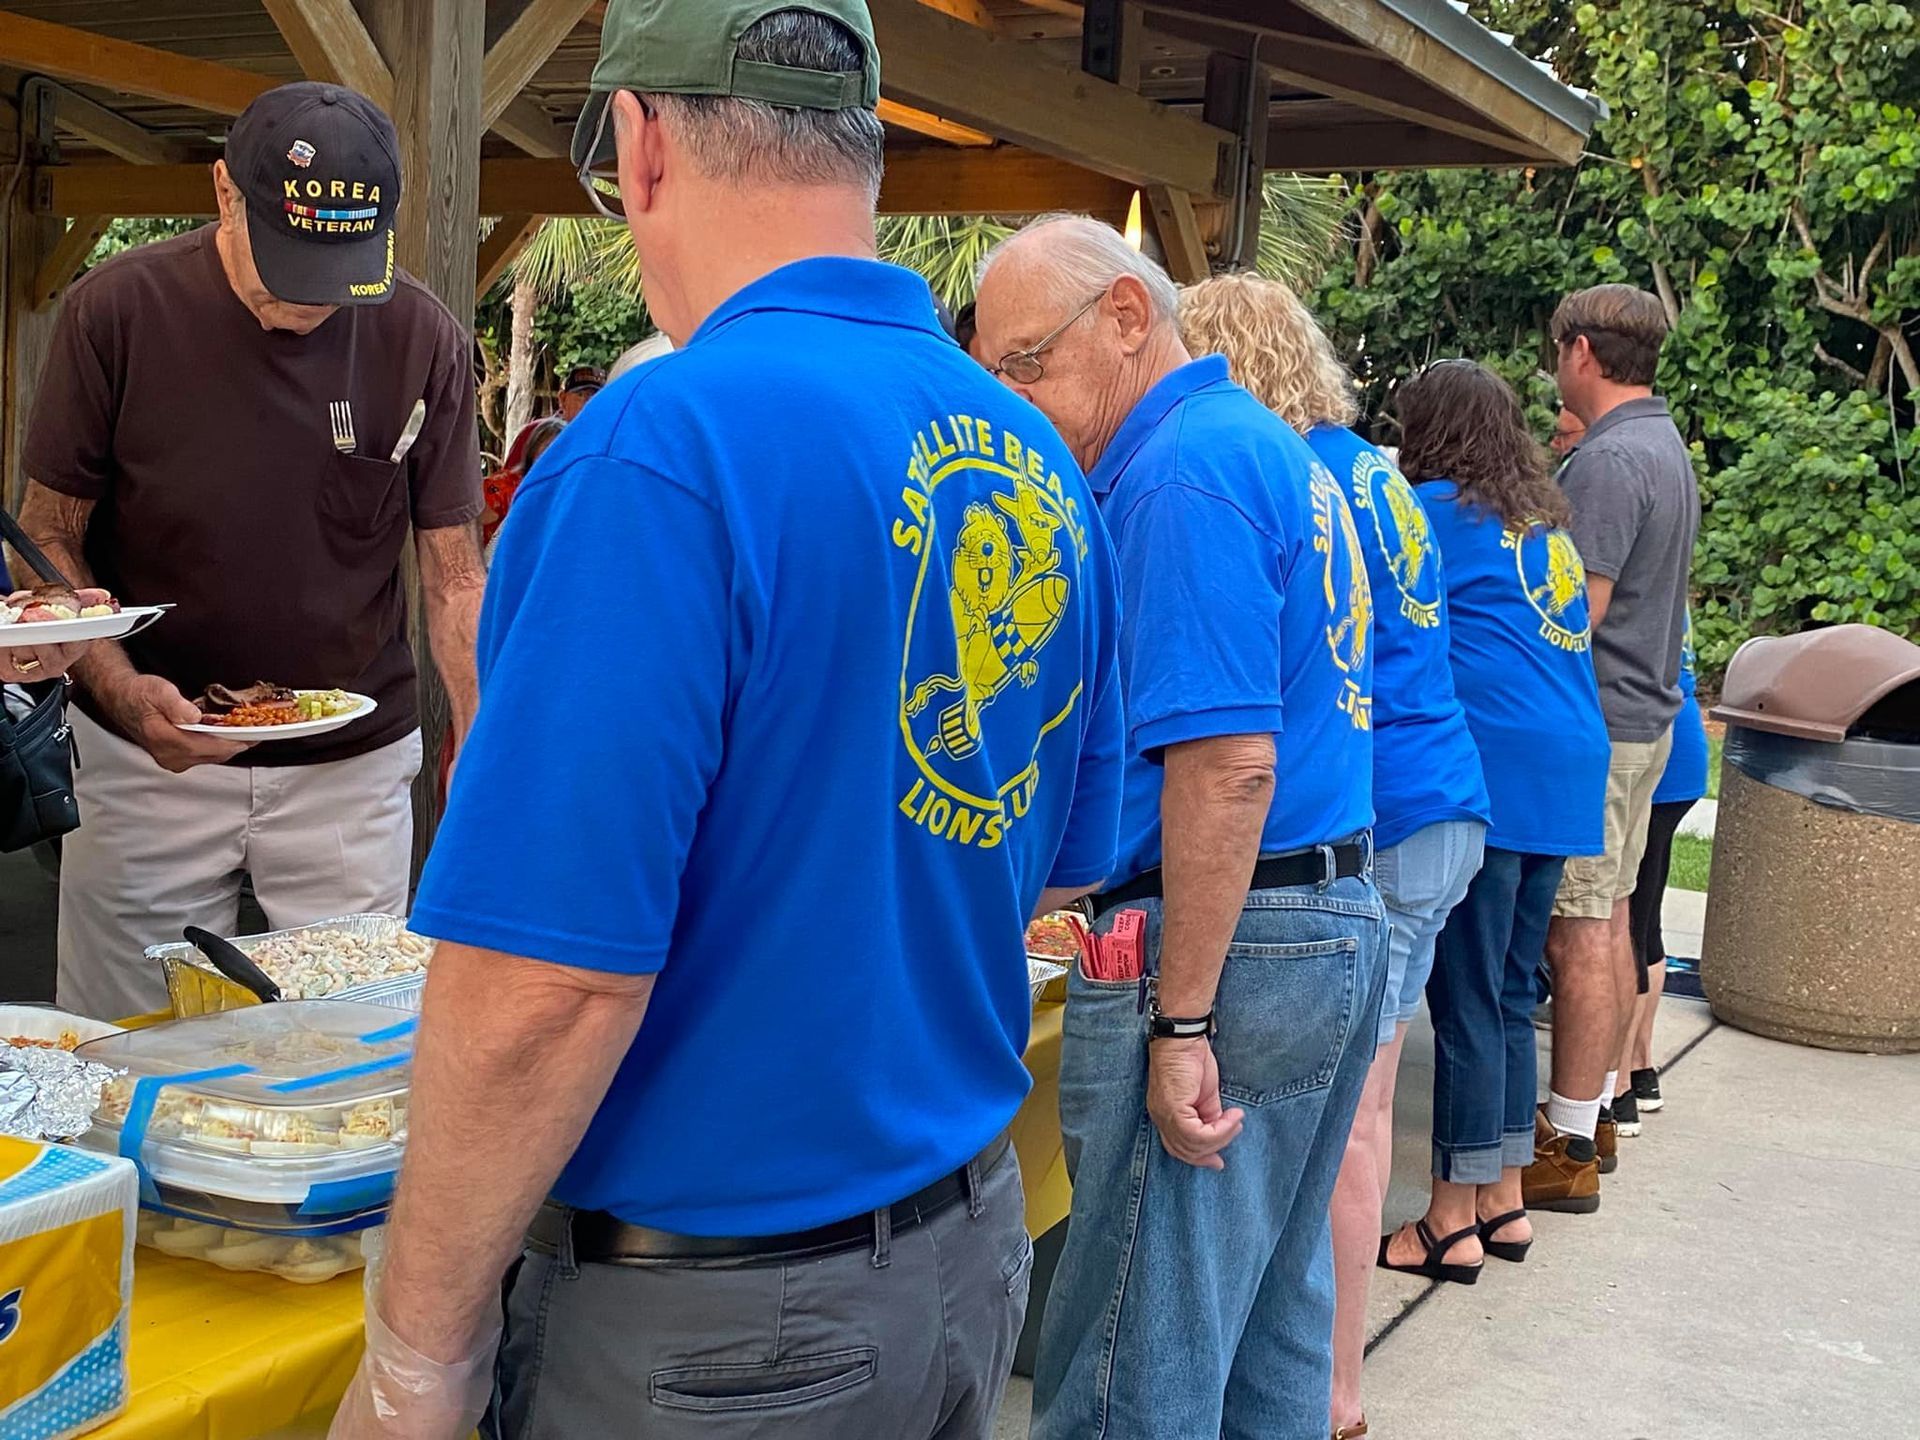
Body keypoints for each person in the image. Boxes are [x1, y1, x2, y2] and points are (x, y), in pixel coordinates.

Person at [328, 4, 1123, 1438]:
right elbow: (1055, 861)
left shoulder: (661, 449)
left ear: (638, 146)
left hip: (715, 1331)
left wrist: (417, 1356)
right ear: (866, 153)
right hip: (957, 1256)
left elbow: (546, 987)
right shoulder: (1039, 460)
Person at [974, 217, 1386, 1440]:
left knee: (1130, 1367)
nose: (1012, 397)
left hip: (1235, 938)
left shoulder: (1180, 470)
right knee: (1270, 1340)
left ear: (1123, 318)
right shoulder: (1272, 448)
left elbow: (1227, 763)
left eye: (1026, 363)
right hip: (1322, 915)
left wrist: (1183, 1017)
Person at [15, 81, 484, 1022]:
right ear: (224, 191)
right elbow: (48, 536)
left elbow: (454, 572)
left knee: (353, 1038)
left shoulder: (422, 332)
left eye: (340, 268)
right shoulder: (116, 312)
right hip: (148, 758)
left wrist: (479, 733)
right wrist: (114, 684)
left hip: (351, 766)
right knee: (121, 1039)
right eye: (290, 262)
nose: (312, 298)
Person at [1176, 274, 1488, 1440]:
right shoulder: (1370, 470)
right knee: (1344, 1114)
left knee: (1347, 1125)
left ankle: (1334, 1391)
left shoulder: (1281, 478)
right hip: (1443, 791)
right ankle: (1319, 1381)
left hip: (1384, 813)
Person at [1386, 359, 1610, 1264]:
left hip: (1497, 767)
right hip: (1566, 765)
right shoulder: (1540, 522)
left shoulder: (1435, 513)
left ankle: (1450, 1219)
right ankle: (1506, 1200)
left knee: (1468, 997)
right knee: (1513, 993)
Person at [1525, 284, 1699, 1206]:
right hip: (1646, 723)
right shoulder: (1663, 446)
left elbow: (1572, 611)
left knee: (1580, 931)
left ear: (1582, 352)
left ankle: (1569, 1143)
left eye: (1559, 352)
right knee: (1613, 917)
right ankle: (1595, 1115)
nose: (1557, 368)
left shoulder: (1606, 462)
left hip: (1601, 727)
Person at [1620, 611, 1709, 1130]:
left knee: (1625, 923)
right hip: (1683, 744)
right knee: (1644, 918)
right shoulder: (1670, 578)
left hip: (1652, 749)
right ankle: (1641, 1065)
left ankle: (1623, 1084)